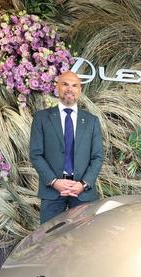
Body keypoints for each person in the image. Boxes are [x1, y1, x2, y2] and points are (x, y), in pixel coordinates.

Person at [29, 71, 103, 224]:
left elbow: (97, 157)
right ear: (57, 88)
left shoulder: (91, 121)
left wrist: (83, 184)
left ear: (79, 90)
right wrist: (54, 181)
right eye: (65, 84)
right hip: (52, 191)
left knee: (84, 237)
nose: (70, 89)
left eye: (74, 85)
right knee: (48, 239)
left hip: (83, 193)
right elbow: (36, 154)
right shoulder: (41, 118)